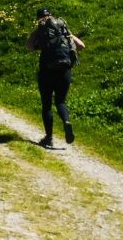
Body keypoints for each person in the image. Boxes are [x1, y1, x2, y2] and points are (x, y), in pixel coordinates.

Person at [27, 8, 84, 148]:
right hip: (65, 70)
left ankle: (49, 137)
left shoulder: (41, 31)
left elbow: (29, 46)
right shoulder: (63, 30)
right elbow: (81, 46)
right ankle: (66, 121)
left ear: (39, 18)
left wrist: (38, 30)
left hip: (47, 71)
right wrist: (67, 32)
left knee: (46, 104)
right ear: (51, 16)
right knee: (60, 101)